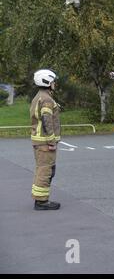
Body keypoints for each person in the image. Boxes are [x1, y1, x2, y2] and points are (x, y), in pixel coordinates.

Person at [30, 69, 61, 210]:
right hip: (44, 142)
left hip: (39, 141)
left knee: (43, 169)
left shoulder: (39, 96)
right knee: (45, 170)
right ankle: (41, 202)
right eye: (53, 81)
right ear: (47, 81)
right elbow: (47, 120)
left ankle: (41, 199)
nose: (55, 83)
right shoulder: (47, 99)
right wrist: (51, 141)